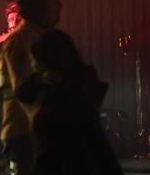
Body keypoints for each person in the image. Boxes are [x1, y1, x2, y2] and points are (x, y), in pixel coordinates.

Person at [16, 30, 123, 175]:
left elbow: (48, 159)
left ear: (45, 62)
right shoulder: (80, 85)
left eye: (34, 61)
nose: (33, 66)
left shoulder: (57, 105)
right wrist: (40, 79)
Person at [0, 0, 65, 175]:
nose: (59, 5)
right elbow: (25, 91)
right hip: (24, 133)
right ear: (38, 6)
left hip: (39, 132)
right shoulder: (21, 40)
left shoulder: (44, 37)